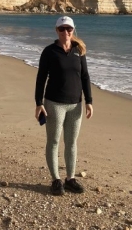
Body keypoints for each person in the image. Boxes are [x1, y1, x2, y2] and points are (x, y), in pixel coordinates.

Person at [35, 15, 93, 196]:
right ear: (56, 31)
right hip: (53, 104)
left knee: (71, 142)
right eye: (62, 29)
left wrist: (89, 101)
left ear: (73, 30)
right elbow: (41, 78)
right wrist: (38, 103)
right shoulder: (49, 52)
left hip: (75, 105)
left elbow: (85, 76)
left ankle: (70, 179)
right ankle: (55, 180)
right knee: (53, 142)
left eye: (69, 29)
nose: (66, 32)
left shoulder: (79, 50)